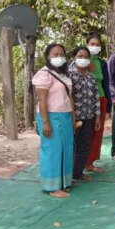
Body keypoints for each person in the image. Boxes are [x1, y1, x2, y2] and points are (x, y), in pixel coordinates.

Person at [32, 44, 75, 198]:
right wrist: (45, 123)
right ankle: (52, 187)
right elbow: (42, 99)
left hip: (65, 116)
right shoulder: (44, 74)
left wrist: (73, 119)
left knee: (66, 148)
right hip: (50, 116)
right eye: (55, 54)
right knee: (52, 150)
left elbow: (69, 99)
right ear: (48, 57)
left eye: (61, 54)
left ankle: (64, 182)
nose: (59, 57)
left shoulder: (64, 75)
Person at [68, 47, 100, 182]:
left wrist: (97, 116)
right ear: (74, 57)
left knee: (84, 146)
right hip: (73, 117)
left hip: (89, 117)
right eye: (80, 56)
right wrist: (72, 117)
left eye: (86, 56)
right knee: (71, 146)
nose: (83, 59)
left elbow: (96, 97)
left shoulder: (91, 76)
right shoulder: (69, 74)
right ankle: (68, 176)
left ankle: (78, 173)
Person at [85, 33, 111, 173]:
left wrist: (108, 106)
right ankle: (81, 162)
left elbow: (106, 84)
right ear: (86, 44)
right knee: (85, 133)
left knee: (98, 133)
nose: (94, 47)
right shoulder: (80, 61)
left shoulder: (102, 63)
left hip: (101, 100)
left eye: (97, 45)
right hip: (85, 103)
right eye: (92, 44)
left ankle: (91, 163)